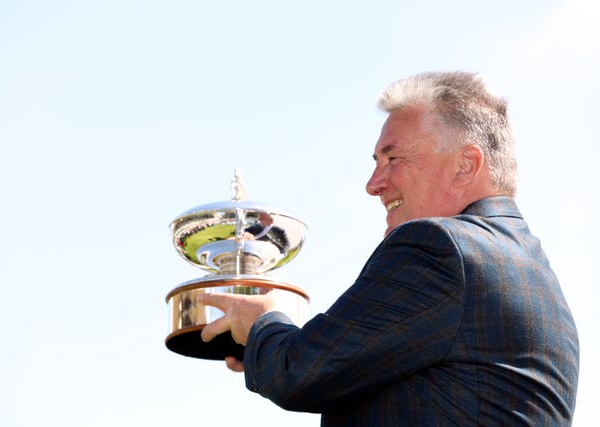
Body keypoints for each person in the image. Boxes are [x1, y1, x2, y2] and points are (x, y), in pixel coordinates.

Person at [198, 71, 579, 425]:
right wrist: (263, 348)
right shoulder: (535, 275)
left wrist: (264, 322)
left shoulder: (440, 247)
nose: (373, 183)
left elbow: (298, 373)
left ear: (465, 166)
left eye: (393, 158)